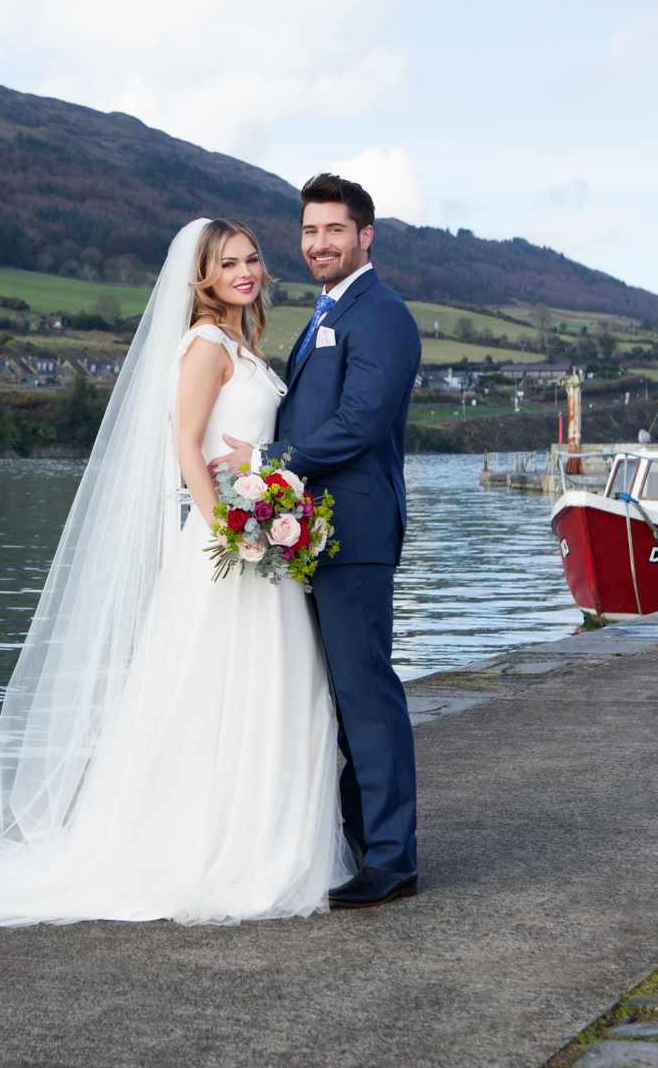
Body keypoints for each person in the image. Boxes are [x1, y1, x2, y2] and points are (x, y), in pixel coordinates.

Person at [0, 218, 352, 928]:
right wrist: (226, 529)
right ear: (203, 278)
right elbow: (185, 445)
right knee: (217, 694)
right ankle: (214, 848)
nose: (246, 272)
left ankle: (263, 842)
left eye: (252, 260)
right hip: (226, 544)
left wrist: (262, 486)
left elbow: (246, 442)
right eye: (229, 263)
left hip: (256, 532)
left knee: (266, 691)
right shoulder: (206, 345)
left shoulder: (243, 343)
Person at [210, 173, 423, 908]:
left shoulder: (382, 314)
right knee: (337, 695)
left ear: (366, 236)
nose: (319, 243)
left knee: (366, 694)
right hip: (312, 534)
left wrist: (269, 465)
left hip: (355, 531)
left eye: (334, 230)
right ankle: (360, 840)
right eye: (308, 231)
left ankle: (393, 859)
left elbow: (362, 421)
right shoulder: (327, 311)